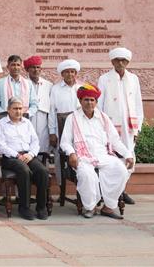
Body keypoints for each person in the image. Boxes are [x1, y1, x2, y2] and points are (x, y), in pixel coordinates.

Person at [60, 84, 134, 219]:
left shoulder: (104, 118)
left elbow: (115, 141)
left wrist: (127, 154)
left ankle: (109, 207)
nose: (89, 103)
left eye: (92, 100)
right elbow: (65, 141)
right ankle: (90, 207)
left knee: (121, 171)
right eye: (86, 100)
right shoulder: (73, 118)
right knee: (86, 175)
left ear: (96, 102)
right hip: (83, 157)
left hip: (103, 155)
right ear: (80, 101)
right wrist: (71, 153)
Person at [98, 47, 143, 205]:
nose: (121, 63)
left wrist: (138, 128)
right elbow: (99, 105)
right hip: (111, 126)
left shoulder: (133, 79)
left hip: (129, 127)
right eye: (118, 60)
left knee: (129, 158)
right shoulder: (105, 79)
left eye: (124, 60)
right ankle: (114, 193)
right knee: (113, 159)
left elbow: (138, 105)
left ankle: (121, 190)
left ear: (128, 62)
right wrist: (102, 127)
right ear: (112, 62)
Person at [0, 97, 49, 220]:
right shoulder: (1, 124)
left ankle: (41, 207)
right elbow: (1, 146)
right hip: (10, 157)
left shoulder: (27, 123)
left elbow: (35, 141)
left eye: (20, 108)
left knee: (43, 171)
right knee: (24, 170)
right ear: (8, 109)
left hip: (28, 155)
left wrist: (30, 154)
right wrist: (17, 155)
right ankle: (24, 208)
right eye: (15, 109)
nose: (18, 111)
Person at [48, 59, 81, 185]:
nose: (70, 74)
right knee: (59, 157)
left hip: (79, 129)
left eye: (72, 72)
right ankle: (61, 185)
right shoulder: (55, 89)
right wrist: (52, 132)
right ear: (62, 74)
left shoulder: (81, 88)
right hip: (60, 129)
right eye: (67, 72)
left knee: (79, 155)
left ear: (76, 73)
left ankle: (81, 187)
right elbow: (51, 112)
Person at [24, 56, 52, 154]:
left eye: (37, 67)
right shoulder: (24, 83)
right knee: (28, 142)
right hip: (28, 116)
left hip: (43, 118)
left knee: (42, 143)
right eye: (32, 67)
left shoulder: (48, 85)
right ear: (27, 69)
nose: (35, 70)